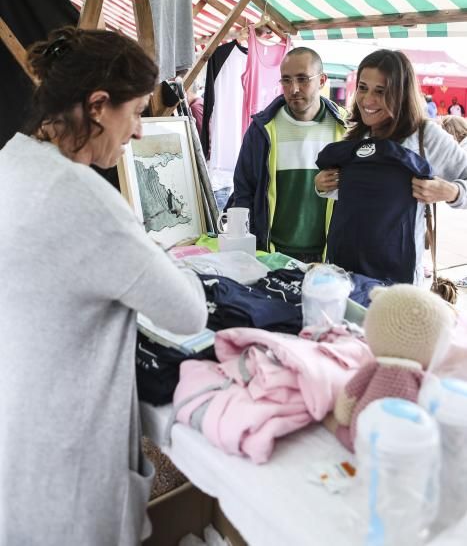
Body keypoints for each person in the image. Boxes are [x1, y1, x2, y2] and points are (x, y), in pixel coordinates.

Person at [0, 27, 207, 545]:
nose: (139, 131)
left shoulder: (13, 159)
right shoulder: (84, 200)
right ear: (98, 106)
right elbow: (189, 313)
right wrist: (154, 250)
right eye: (135, 112)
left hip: (23, 421)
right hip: (69, 454)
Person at [315, 49, 467, 285]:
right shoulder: (357, 133)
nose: (367, 100)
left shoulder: (426, 136)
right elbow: (356, 194)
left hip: (396, 280)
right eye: (363, 88)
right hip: (342, 273)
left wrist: (451, 192)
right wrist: (322, 184)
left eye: (381, 91)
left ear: (401, 93)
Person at [230, 47, 346, 262]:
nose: (294, 88)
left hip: (328, 255)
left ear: (322, 81)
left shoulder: (346, 129)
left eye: (303, 79)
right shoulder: (261, 129)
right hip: (270, 252)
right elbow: (243, 191)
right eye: (286, 80)